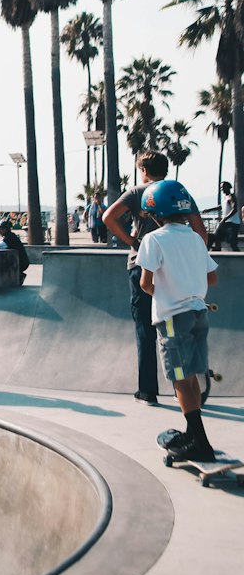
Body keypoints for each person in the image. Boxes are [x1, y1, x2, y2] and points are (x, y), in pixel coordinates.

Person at [102, 152, 207, 406]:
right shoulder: (178, 191)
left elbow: (108, 218)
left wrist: (132, 241)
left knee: (145, 329)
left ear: (145, 170)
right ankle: (183, 390)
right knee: (179, 326)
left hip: (142, 265)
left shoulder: (137, 192)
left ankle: (147, 390)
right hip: (175, 269)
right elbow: (201, 232)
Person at [136, 179, 218, 462]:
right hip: (199, 313)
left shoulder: (154, 239)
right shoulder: (196, 238)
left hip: (172, 317)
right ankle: (192, 433)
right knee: (192, 376)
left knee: (179, 380)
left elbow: (146, 284)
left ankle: (201, 442)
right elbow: (212, 277)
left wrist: (168, 292)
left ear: (155, 213)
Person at [0, 217, 30, 282]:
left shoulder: (10, 238)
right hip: (20, 261)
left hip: (21, 262)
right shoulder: (10, 236)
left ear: (6, 229)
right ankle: (18, 275)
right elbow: (1, 245)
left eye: (1, 228)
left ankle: (19, 276)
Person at [213, 181, 240, 252]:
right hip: (227, 222)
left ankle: (239, 257)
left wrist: (225, 218)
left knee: (232, 243)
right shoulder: (225, 198)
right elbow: (221, 207)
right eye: (221, 187)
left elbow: (234, 209)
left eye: (223, 187)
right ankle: (217, 250)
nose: (221, 189)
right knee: (217, 236)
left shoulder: (231, 197)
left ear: (228, 187)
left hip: (233, 223)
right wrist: (209, 210)